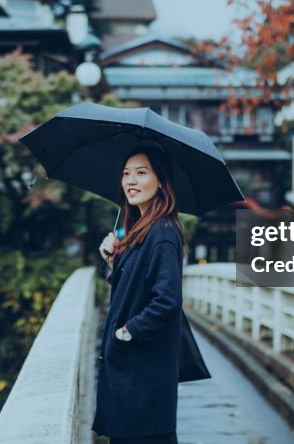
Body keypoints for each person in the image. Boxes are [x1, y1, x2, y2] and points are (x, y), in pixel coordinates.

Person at [92, 146, 185, 444]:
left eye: (141, 173)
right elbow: (135, 290)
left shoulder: (163, 233)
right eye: (126, 174)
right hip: (132, 377)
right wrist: (114, 262)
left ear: (161, 182)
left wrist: (126, 334)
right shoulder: (142, 231)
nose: (130, 180)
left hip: (144, 380)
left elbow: (167, 301)